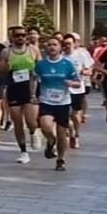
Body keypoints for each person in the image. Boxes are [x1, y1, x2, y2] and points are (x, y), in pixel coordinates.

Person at [30, 36, 81, 171]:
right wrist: (33, 94)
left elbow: (77, 82)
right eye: (49, 45)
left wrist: (71, 83)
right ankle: (50, 141)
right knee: (46, 126)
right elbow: (34, 78)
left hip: (63, 102)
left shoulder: (67, 64)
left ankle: (61, 159)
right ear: (46, 48)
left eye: (55, 45)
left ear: (60, 48)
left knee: (62, 133)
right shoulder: (41, 64)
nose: (52, 47)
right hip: (46, 101)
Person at [0, 26, 41, 164]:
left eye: (23, 35)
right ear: (12, 37)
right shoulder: (6, 52)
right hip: (14, 88)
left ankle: (34, 132)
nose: (21, 37)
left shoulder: (33, 50)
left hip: (31, 89)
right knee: (17, 122)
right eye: (17, 35)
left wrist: (38, 73)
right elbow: (1, 70)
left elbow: (40, 66)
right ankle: (23, 152)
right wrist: (6, 67)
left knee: (31, 121)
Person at [61, 33, 94, 148]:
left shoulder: (81, 55)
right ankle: (71, 133)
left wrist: (85, 72)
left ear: (74, 44)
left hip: (77, 89)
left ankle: (76, 133)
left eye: (69, 43)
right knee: (65, 114)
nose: (67, 46)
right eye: (65, 44)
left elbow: (89, 69)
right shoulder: (61, 56)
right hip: (64, 89)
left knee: (75, 114)